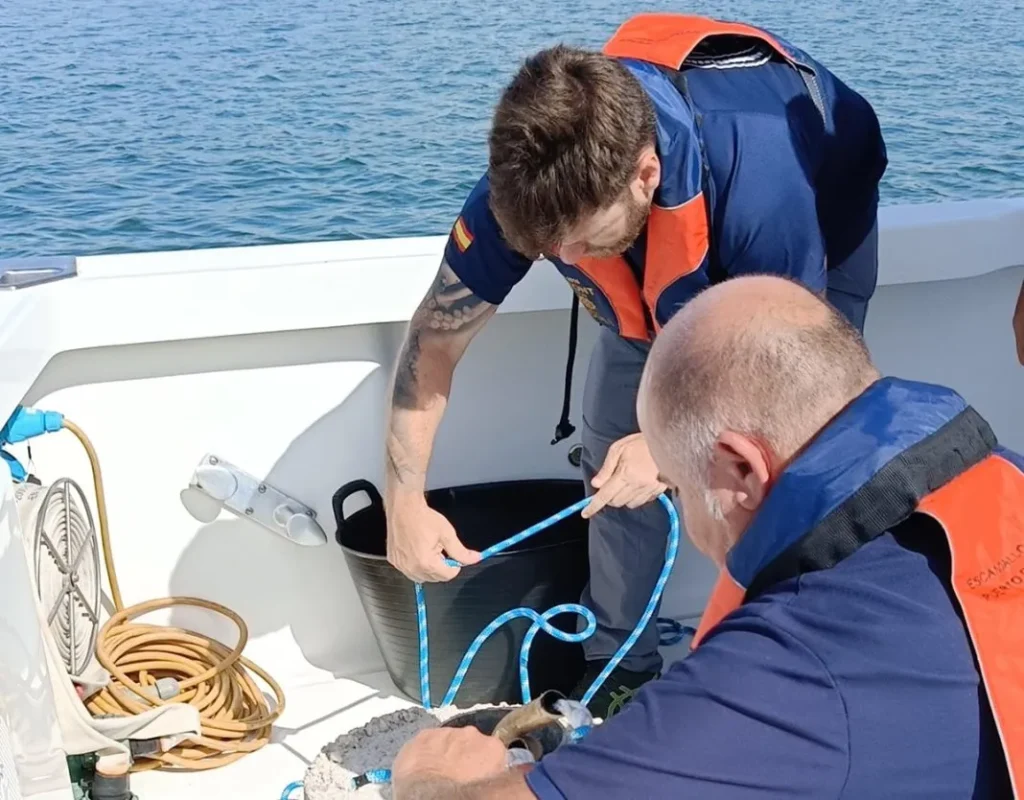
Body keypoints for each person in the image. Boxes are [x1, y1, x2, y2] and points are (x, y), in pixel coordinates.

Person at [383, 11, 888, 715]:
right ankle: (620, 662)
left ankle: (789, 646)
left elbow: (785, 375)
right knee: (613, 458)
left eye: (579, 243)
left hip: (811, 227)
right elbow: (435, 341)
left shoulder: (763, 182)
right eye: (547, 248)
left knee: (790, 458)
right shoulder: (533, 190)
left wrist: (667, 449)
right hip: (656, 272)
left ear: (646, 175)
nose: (564, 261)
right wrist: (404, 499)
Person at [389, 275, 1021, 800]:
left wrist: (429, 779)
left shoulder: (787, 669)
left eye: (679, 489)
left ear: (740, 470)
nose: (686, 518)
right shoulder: (1006, 476)